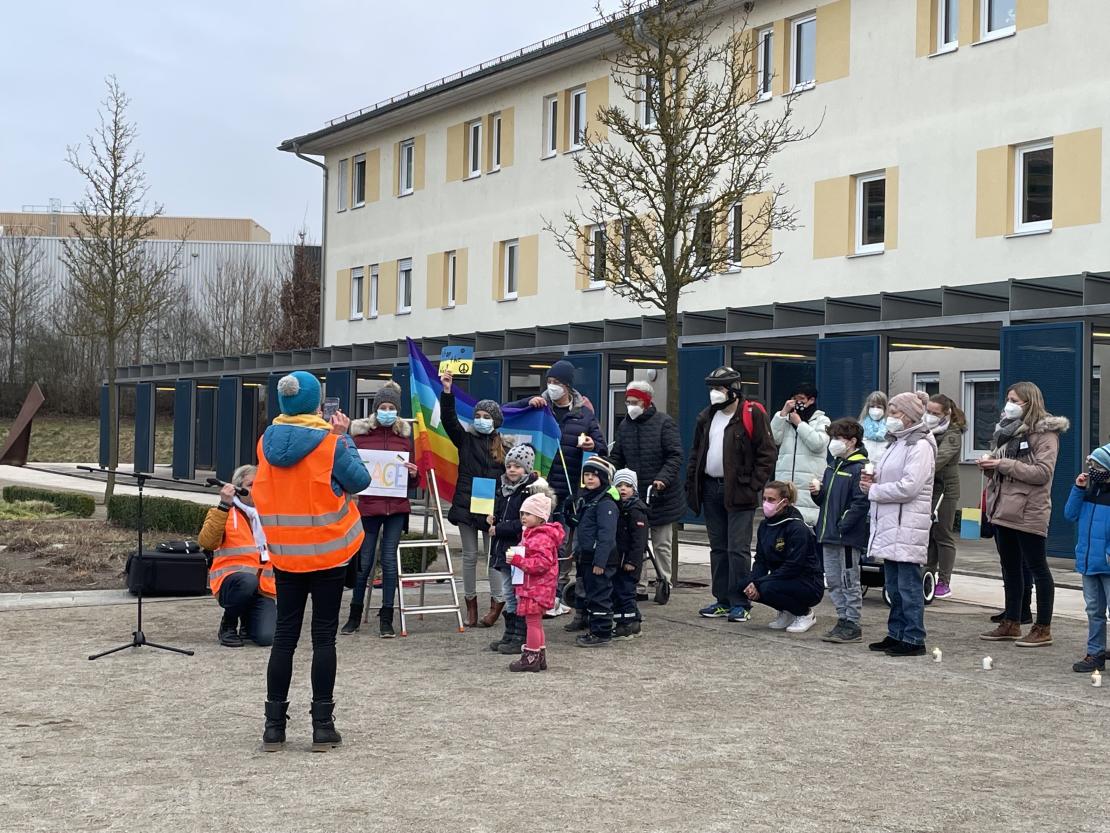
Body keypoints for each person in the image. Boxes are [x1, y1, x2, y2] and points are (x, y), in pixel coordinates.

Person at [253, 370, 370, 752]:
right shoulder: (329, 443)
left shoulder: (265, 442)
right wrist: (344, 436)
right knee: (323, 638)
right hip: (327, 554)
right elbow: (360, 481)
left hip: (286, 554)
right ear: (316, 405)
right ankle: (322, 725)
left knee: (284, 639)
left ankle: (274, 728)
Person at [510, 359, 607, 613]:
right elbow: (504, 414)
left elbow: (602, 447)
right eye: (549, 382)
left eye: (557, 383)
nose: (552, 387)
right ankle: (539, 591)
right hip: (540, 489)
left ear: (568, 387)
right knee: (536, 540)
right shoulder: (540, 408)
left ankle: (557, 590)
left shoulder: (584, 414)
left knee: (561, 543)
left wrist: (591, 447)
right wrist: (526, 403)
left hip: (569, 489)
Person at [979, 381, 1068, 648]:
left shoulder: (1045, 432)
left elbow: (1042, 473)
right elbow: (1006, 469)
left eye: (1015, 400)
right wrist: (990, 467)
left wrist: (1002, 464)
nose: (1009, 405)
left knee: (1037, 568)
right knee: (1010, 568)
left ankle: (1043, 627)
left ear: (1030, 402)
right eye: (1008, 399)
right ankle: (1012, 621)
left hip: (1029, 510)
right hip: (1003, 508)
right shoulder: (1008, 432)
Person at [686, 366, 778, 622]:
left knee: (737, 549)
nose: (714, 394)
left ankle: (740, 601)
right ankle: (722, 600)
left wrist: (753, 485)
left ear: (734, 390)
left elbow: (767, 453)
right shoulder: (706, 417)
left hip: (739, 490)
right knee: (718, 548)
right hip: (710, 488)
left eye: (719, 389)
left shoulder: (752, 413)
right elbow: (696, 452)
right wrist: (692, 484)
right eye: (712, 389)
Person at [341, 382, 419, 638]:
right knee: (364, 563)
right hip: (369, 507)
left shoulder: (405, 438)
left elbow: (414, 480)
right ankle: (354, 614)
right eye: (383, 407)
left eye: (391, 407)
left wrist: (414, 474)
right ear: (375, 410)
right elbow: (351, 469)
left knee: (388, 562)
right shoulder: (360, 436)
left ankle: (387, 616)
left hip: (396, 507)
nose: (387, 411)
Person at [862, 391, 936, 658]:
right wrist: (870, 481)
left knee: (908, 585)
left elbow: (910, 487)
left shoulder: (921, 445)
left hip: (908, 523)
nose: (889, 418)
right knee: (893, 585)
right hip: (892, 522)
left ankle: (914, 637)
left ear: (908, 416)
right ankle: (896, 633)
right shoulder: (896, 443)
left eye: (894, 413)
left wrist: (875, 491)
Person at [440, 371, 511, 628]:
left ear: (496, 421)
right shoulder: (466, 440)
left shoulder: (505, 448)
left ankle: (497, 603)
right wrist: (447, 392)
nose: (480, 420)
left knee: (493, 556)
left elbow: (513, 478)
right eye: (477, 416)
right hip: (466, 504)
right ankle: (470, 604)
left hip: (492, 508)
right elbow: (448, 421)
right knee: (469, 556)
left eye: (486, 417)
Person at [609, 380, 684, 594]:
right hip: (634, 492)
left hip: (661, 493)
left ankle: (664, 581)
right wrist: (609, 470)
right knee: (635, 540)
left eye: (634, 402)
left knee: (661, 543)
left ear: (645, 402)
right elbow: (618, 456)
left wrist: (662, 478)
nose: (630, 406)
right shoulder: (625, 425)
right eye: (627, 401)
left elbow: (675, 455)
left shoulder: (664, 423)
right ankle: (637, 583)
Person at [197, 464, 276, 648]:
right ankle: (228, 624)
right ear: (238, 488)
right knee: (247, 582)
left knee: (266, 638)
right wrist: (224, 505)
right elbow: (207, 542)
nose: (256, 490)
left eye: (260, 485)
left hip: (263, 588)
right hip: (231, 583)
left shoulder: (270, 516)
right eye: (250, 485)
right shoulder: (224, 512)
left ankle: (248, 623)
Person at [810, 419, 870, 644]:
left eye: (838, 438)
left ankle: (853, 622)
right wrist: (818, 494)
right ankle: (842, 619)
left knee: (849, 580)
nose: (833, 443)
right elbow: (826, 500)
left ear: (852, 441)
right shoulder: (832, 465)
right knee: (834, 580)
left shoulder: (859, 467)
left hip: (845, 536)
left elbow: (860, 501)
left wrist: (843, 524)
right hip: (828, 533)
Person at [487, 444, 549, 656]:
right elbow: (502, 514)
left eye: (518, 466)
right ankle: (510, 632)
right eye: (510, 465)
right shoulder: (503, 489)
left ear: (527, 468)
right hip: (504, 550)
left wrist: (499, 527)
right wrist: (492, 518)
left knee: (517, 593)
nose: (512, 470)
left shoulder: (529, 492)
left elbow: (524, 523)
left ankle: (520, 635)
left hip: (520, 551)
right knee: (509, 592)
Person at [743, 481, 823, 633]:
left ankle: (804, 613)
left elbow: (793, 567)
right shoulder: (765, 526)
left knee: (766, 587)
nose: (766, 503)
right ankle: (788, 612)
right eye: (764, 499)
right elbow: (761, 560)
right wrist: (752, 582)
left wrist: (759, 583)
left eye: (771, 500)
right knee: (743, 584)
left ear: (784, 502)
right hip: (782, 579)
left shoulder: (797, 528)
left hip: (807, 582)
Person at [1063, 443, 1110, 673]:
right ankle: (1095, 652)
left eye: (1097, 466)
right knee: (1093, 610)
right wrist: (1078, 489)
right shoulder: (1089, 491)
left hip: (1107, 563)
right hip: (1088, 561)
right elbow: (1070, 514)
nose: (1092, 470)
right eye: (1091, 465)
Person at [505, 493, 564, 672]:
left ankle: (531, 657)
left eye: (528, 514)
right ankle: (539, 655)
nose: (523, 516)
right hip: (536, 586)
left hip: (535, 587)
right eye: (522, 513)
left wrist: (517, 561)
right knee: (535, 622)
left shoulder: (540, 537)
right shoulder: (533, 535)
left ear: (540, 517)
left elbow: (541, 564)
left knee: (532, 622)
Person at [565, 456, 619, 646]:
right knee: (590, 593)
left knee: (600, 596)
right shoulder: (587, 500)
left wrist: (600, 562)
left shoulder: (606, 503)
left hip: (600, 560)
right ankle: (594, 629)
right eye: (586, 475)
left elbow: (606, 535)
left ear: (603, 478)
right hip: (587, 557)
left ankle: (602, 633)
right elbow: (582, 529)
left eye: (594, 476)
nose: (589, 479)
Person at [770, 382, 830, 525]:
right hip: (786, 481)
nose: (798, 402)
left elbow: (818, 444)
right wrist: (782, 414)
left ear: (811, 400)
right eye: (795, 398)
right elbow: (773, 439)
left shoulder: (822, 420)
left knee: (807, 524)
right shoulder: (786, 419)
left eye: (802, 399)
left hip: (808, 482)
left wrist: (800, 424)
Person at [925, 394, 966, 600]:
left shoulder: (952, 434)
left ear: (946, 413)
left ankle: (944, 581)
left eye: (935, 413)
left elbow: (939, 459)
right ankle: (928, 574)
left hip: (945, 490)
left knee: (943, 534)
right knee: (929, 533)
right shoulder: (926, 429)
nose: (930, 416)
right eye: (928, 411)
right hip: (930, 488)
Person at [612, 468, 649, 640]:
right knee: (620, 591)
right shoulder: (617, 507)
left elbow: (639, 541)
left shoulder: (636, 510)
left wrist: (633, 561)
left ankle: (626, 625)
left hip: (629, 561)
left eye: (627, 486)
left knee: (625, 593)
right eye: (619, 485)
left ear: (634, 489)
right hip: (619, 560)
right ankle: (634, 621)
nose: (623, 489)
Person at [859, 391, 890, 464]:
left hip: (883, 467)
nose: (875, 409)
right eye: (872, 406)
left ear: (885, 409)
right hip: (864, 467)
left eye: (879, 407)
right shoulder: (860, 427)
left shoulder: (891, 427)